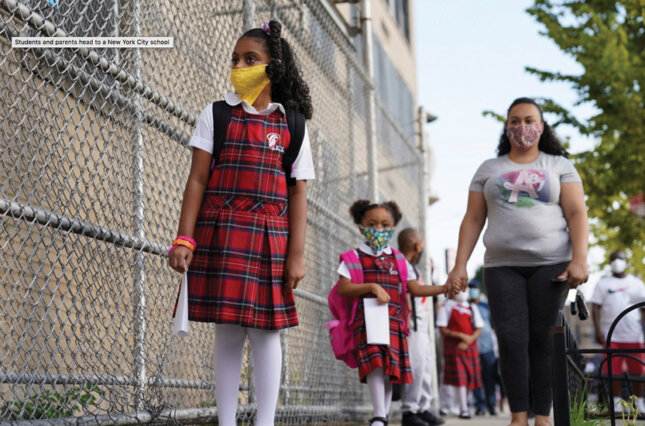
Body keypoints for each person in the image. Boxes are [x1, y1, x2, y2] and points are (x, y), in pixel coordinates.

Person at [167, 20, 315, 426]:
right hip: (222, 233)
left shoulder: (293, 124)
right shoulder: (216, 114)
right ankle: (227, 421)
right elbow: (197, 179)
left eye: (250, 59)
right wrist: (184, 239)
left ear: (273, 67)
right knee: (228, 331)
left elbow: (299, 192)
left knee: (267, 334)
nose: (240, 66)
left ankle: (265, 421)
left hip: (271, 240)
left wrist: (296, 256)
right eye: (235, 59)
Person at [445, 97, 589, 426]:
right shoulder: (489, 169)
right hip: (501, 267)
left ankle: (543, 416)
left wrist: (579, 259)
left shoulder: (559, 166)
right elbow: (472, 219)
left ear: (541, 126)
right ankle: (518, 417)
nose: (522, 127)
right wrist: (460, 265)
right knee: (511, 340)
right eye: (515, 121)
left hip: (551, 264)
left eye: (529, 120)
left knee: (542, 339)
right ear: (507, 127)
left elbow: (577, 213)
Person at [337, 200, 457, 426]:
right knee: (375, 363)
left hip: (393, 321)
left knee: (389, 368)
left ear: (393, 228)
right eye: (372, 224)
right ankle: (380, 414)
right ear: (361, 227)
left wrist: (444, 288)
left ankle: (381, 416)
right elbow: (344, 287)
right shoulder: (353, 257)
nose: (379, 230)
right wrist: (372, 287)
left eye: (385, 224)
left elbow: (415, 289)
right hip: (367, 321)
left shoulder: (399, 259)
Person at [398, 228, 445, 426]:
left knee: (425, 368)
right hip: (413, 325)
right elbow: (414, 290)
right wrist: (444, 288)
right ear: (418, 245)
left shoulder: (413, 267)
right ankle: (410, 411)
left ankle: (422, 407)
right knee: (415, 367)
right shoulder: (404, 264)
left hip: (423, 326)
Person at [589, 250, 645, 413]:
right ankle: (616, 402)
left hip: (634, 335)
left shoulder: (636, 283)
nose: (617, 262)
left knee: (638, 370)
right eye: (613, 259)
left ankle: (639, 402)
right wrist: (598, 330)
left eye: (619, 259)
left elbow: (643, 308)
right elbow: (596, 307)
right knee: (613, 370)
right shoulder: (603, 283)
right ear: (609, 263)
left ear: (625, 261)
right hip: (611, 334)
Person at [436, 290, 484, 419]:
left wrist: (469, 340)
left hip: (470, 347)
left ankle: (463, 405)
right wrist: (462, 336)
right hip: (454, 347)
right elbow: (442, 329)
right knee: (460, 378)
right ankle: (462, 408)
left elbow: (479, 327)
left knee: (470, 377)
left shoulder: (472, 307)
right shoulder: (446, 306)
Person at [468, 279, 499, 416]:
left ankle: (491, 405)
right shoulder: (465, 306)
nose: (472, 290)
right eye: (470, 288)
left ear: (479, 290)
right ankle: (480, 406)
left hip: (488, 349)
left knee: (490, 379)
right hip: (472, 349)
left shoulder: (486, 306)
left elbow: (494, 326)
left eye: (475, 288)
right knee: (475, 380)